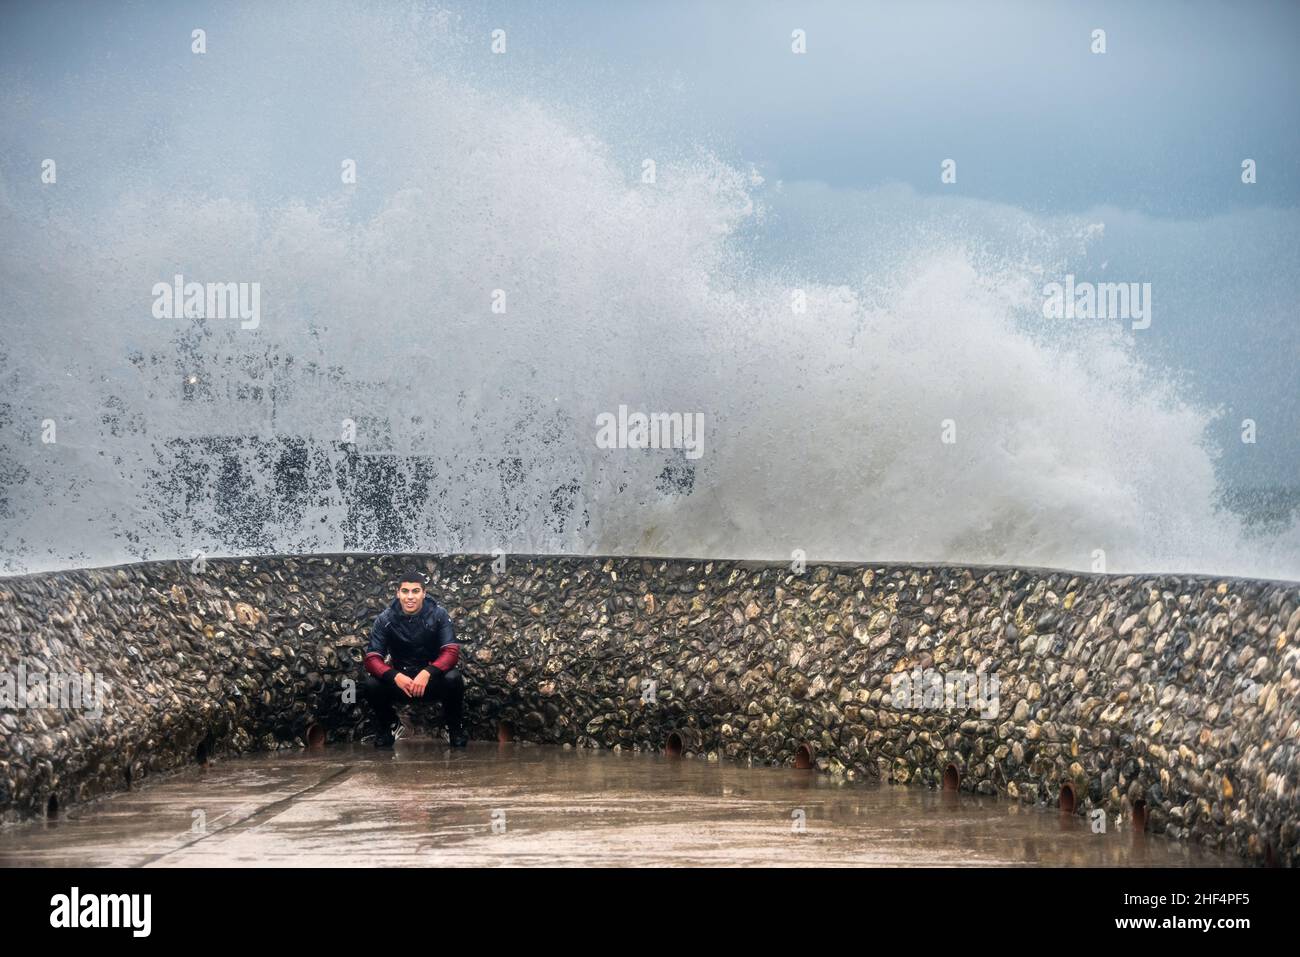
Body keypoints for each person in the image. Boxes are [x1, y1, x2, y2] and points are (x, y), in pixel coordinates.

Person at [362, 571, 468, 748]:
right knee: (371, 683)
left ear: (424, 593)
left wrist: (428, 673)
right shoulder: (385, 619)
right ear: (398, 593)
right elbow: (372, 658)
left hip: (430, 682)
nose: (410, 597)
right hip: (401, 682)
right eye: (405, 591)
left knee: (454, 678)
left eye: (415, 591)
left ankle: (453, 728)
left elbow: (451, 651)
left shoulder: (439, 615)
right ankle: (389, 725)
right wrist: (394, 676)